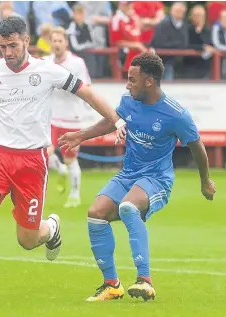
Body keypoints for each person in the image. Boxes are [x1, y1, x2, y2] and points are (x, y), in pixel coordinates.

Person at [0, 16, 126, 301]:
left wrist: (116, 121)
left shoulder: (48, 70)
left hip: (32, 162)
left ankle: (51, 228)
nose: (7, 53)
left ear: (27, 41)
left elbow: (87, 93)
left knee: (27, 240)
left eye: (13, 46)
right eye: (3, 46)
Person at [59, 52, 216, 302]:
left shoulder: (176, 114)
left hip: (157, 179)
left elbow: (197, 146)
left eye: (132, 79)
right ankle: (111, 285)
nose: (127, 84)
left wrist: (205, 181)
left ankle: (145, 280)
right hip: (128, 174)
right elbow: (113, 122)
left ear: (149, 81)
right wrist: (81, 135)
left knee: (128, 207)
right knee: (95, 214)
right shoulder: (129, 100)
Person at [47, 27, 91, 208]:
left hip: (71, 118)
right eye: (54, 41)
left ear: (66, 43)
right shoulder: (46, 62)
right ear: (50, 43)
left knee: (70, 158)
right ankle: (59, 169)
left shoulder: (77, 63)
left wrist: (66, 87)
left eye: (60, 41)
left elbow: (86, 87)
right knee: (42, 153)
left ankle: (74, 194)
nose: (57, 44)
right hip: (50, 118)